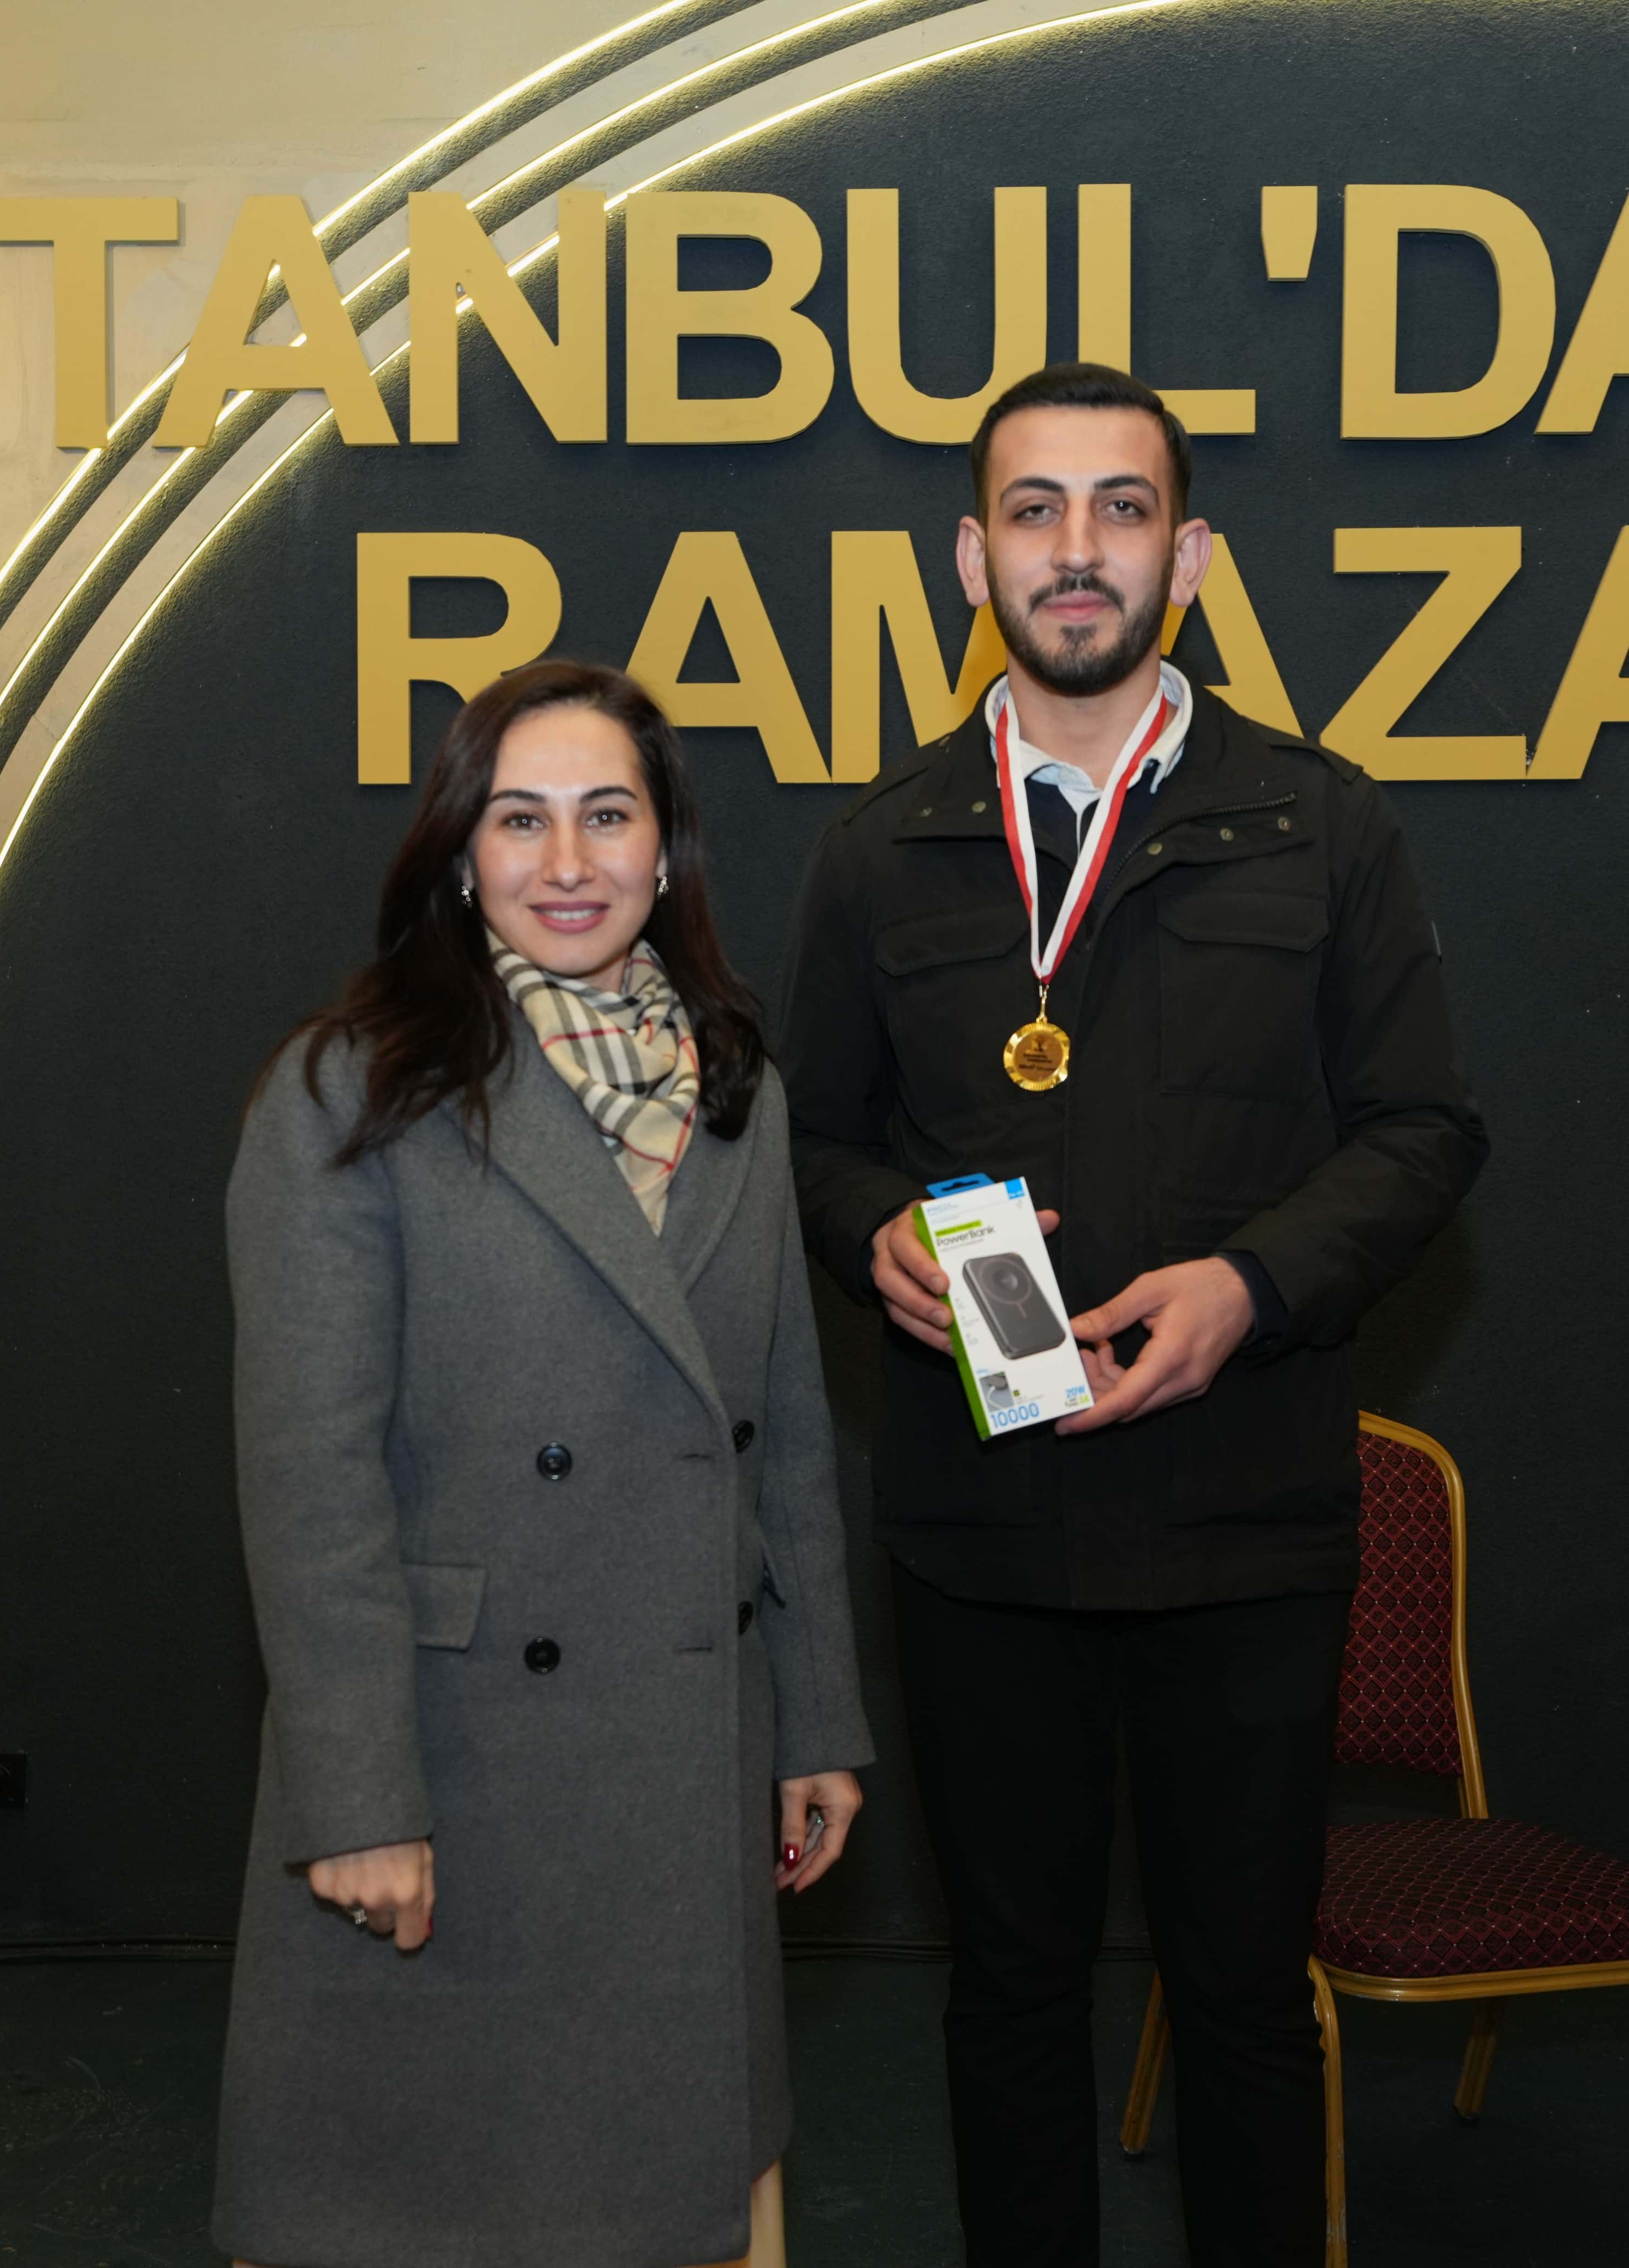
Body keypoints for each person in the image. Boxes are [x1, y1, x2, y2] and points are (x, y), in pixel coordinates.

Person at [777, 364, 1487, 2266]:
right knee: (1008, 1996)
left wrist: (1252, 1287)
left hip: (1244, 1520)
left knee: (1244, 2000)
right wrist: (868, 1235)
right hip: (984, 1523)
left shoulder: (1322, 825)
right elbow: (812, 1139)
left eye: (1120, 509)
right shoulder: (882, 846)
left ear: (1190, 554)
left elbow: (1424, 1131)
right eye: (1035, 511)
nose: (1075, 550)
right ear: (971, 558)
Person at [213, 659, 871, 2268]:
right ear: (459, 853)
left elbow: (784, 1434)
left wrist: (818, 1719)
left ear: (667, 850)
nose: (567, 863)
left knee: (673, 2204)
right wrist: (356, 1796)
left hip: (687, 1755)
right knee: (433, 2213)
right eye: (520, 820)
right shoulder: (349, 1087)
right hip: (456, 1761)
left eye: (606, 817)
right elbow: (311, 1483)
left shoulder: (738, 1088)